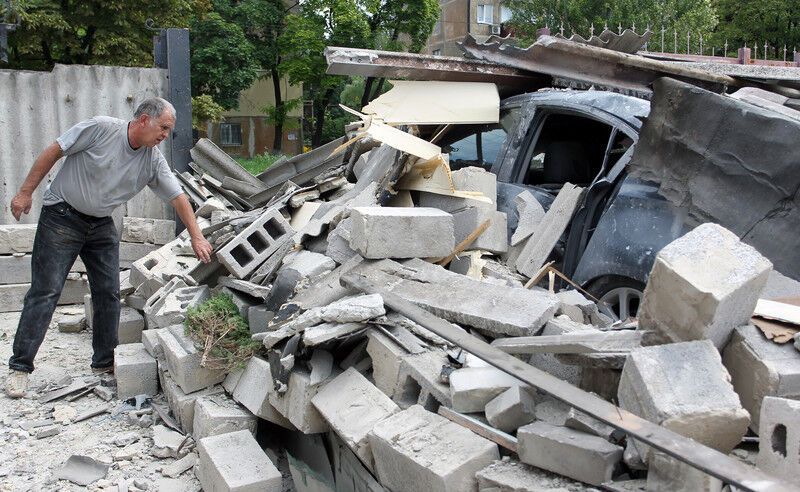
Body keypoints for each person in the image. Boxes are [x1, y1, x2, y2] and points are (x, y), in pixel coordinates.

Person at [5, 97, 213, 398]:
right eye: (163, 127)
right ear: (144, 120)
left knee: (109, 292)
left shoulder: (153, 159)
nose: (165, 135)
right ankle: (20, 367)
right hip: (62, 215)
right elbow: (54, 150)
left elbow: (178, 197)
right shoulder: (101, 129)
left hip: (100, 223)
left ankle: (103, 362)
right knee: (46, 291)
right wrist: (25, 194)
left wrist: (196, 236)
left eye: (169, 130)